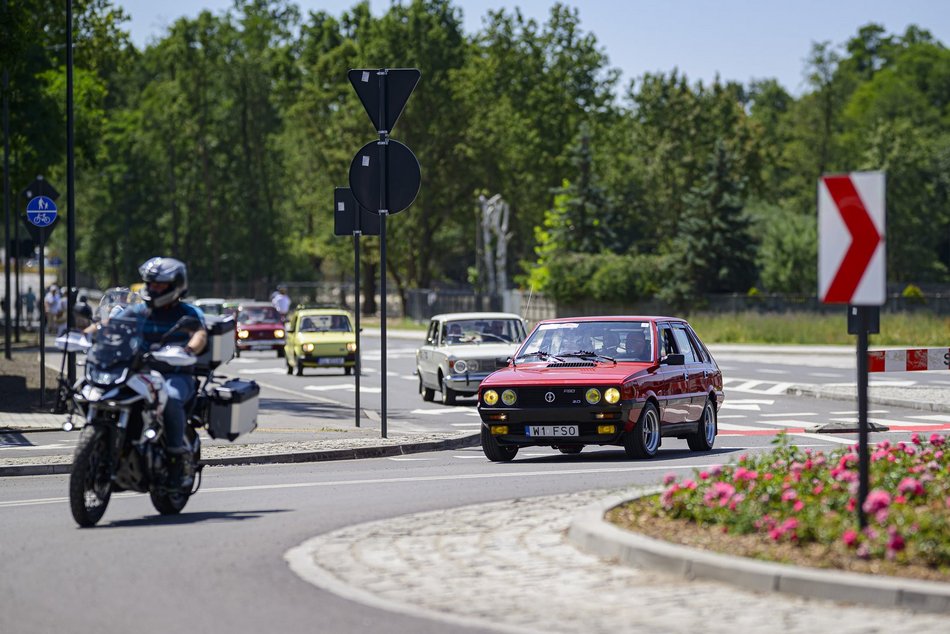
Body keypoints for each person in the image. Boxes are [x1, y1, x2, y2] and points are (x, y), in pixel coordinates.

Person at [102, 257, 207, 488]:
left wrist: (189, 349)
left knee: (170, 398)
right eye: (151, 284)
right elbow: (109, 324)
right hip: (138, 372)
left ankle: (175, 456)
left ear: (175, 286)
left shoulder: (187, 312)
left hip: (176, 373)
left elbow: (199, 334)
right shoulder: (139, 310)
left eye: (160, 285)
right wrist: (85, 334)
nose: (154, 288)